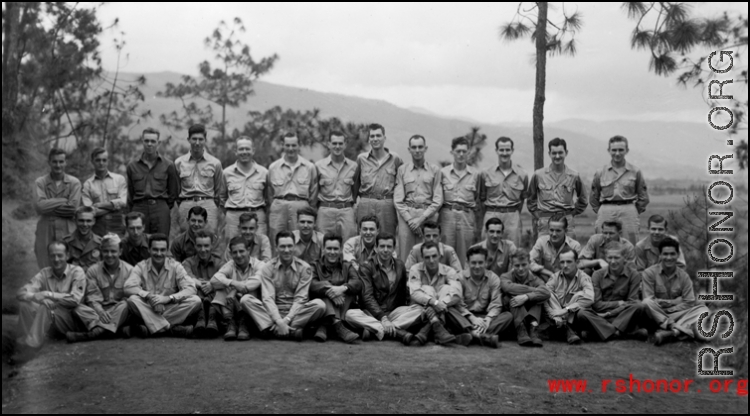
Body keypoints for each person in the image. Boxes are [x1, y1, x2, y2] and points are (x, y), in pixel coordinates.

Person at [242, 231, 326, 341]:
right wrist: (278, 320)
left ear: (294, 247)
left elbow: (301, 299)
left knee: (320, 305)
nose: (286, 250)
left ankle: (272, 330)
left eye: (290, 246)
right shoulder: (268, 268)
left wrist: (285, 320)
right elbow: (268, 299)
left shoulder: (304, 268)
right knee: (246, 300)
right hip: (272, 313)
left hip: (295, 314)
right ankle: (291, 331)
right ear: (276, 247)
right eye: (282, 246)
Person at [345, 233, 425, 345]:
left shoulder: (400, 265)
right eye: (382, 246)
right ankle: (397, 332)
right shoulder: (366, 266)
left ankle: (376, 329)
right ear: (376, 248)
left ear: (394, 248)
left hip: (393, 312)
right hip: (371, 313)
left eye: (389, 246)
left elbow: (403, 292)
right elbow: (367, 296)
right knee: (350, 315)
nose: (385, 250)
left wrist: (407, 310)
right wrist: (382, 317)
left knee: (420, 310)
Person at [124, 234, 201, 338]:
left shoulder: (176, 266)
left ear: (167, 250)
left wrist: (168, 298)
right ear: (149, 250)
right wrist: (149, 296)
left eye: (162, 250)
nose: (159, 253)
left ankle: (153, 326)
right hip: (148, 307)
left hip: (169, 308)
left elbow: (191, 288)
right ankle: (170, 329)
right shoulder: (141, 267)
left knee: (195, 300)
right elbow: (128, 287)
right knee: (132, 300)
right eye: (155, 249)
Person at [16, 241, 87, 353]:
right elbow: (21, 292)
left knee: (46, 308)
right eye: (52, 255)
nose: (56, 259)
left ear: (67, 256)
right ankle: (29, 339)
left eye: (60, 255)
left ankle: (31, 348)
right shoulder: (44, 273)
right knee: (25, 305)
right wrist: (35, 296)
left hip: (70, 320)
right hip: (49, 320)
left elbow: (75, 299)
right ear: (48, 257)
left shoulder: (77, 271)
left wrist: (48, 294)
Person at [641, 239, 710, 346]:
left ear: (677, 255)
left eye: (672, 254)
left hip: (674, 314)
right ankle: (679, 329)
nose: (669, 258)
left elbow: (689, 302)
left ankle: (672, 332)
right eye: (665, 254)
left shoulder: (684, 276)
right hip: (655, 315)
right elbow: (649, 299)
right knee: (646, 303)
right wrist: (675, 301)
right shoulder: (649, 273)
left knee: (704, 309)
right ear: (660, 255)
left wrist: (671, 306)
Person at [575, 242, 648, 342]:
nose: (613, 261)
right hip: (600, 317)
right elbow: (596, 304)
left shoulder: (633, 275)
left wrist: (610, 313)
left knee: (640, 306)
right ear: (606, 258)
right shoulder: (597, 275)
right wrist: (618, 303)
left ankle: (599, 333)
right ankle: (621, 333)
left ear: (624, 258)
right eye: (610, 258)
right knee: (581, 313)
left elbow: (632, 302)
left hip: (623, 317)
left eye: (617, 258)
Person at [67, 234, 132, 343]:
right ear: (101, 252)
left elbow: (129, 297)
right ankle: (115, 330)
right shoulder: (93, 270)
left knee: (126, 304)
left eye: (113, 251)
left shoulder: (130, 270)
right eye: (106, 251)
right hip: (98, 312)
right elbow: (92, 297)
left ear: (120, 251)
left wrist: (111, 312)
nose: (109, 255)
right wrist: (101, 312)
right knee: (78, 308)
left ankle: (95, 333)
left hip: (119, 311)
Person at [407, 242, 472, 346]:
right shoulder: (415, 269)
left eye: (434, 256)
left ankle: (427, 332)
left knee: (446, 289)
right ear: (422, 258)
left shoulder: (449, 271)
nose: (431, 260)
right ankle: (452, 336)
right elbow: (415, 292)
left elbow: (457, 293)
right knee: (427, 289)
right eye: (427, 257)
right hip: (420, 312)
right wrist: (434, 302)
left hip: (442, 310)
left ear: (439, 256)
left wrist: (440, 304)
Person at [590, 135, 649, 245]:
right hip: (606, 210)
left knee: (631, 244)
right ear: (609, 151)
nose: (617, 153)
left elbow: (643, 197)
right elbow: (593, 198)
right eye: (614, 150)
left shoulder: (635, 172)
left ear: (627, 150)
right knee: (602, 244)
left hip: (628, 211)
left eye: (621, 150)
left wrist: (632, 211)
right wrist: (603, 211)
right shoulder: (600, 172)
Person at [267, 132, 318, 252]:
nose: (291, 149)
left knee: (299, 243)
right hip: (278, 208)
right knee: (276, 241)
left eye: (294, 145)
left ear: (299, 145)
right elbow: (269, 193)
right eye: (287, 145)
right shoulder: (273, 167)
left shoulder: (309, 167)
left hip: (300, 207)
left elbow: (313, 193)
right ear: (282, 145)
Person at [394, 134, 443, 260]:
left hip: (428, 217)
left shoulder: (435, 170)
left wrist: (421, 219)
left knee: (427, 254)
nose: (417, 150)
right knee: (405, 255)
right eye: (414, 147)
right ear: (409, 149)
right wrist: (410, 221)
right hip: (407, 217)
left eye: (420, 147)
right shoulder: (402, 170)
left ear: (425, 148)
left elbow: (438, 200)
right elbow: (398, 200)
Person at [527, 138, 588, 239]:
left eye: (560, 152)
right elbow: (530, 200)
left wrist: (571, 214)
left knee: (568, 252)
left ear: (566, 153)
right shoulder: (539, 175)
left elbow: (583, 200)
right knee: (545, 252)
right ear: (549, 154)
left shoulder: (574, 176)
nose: (557, 156)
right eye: (554, 153)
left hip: (567, 223)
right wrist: (540, 216)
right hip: (545, 223)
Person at [455, 246, 515, 348]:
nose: (477, 266)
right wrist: (472, 318)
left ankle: (473, 335)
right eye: (473, 263)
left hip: (484, 316)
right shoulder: (460, 277)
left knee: (508, 316)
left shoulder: (493, 278)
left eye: (480, 262)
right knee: (451, 312)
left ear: (486, 262)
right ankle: (484, 337)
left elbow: (496, 304)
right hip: (466, 317)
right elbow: (458, 304)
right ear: (468, 262)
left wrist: (487, 320)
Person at [309, 233, 362, 344]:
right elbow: (312, 284)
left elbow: (358, 283)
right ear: (323, 248)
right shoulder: (315, 265)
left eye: (335, 249)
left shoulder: (347, 266)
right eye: (329, 248)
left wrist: (342, 288)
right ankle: (337, 324)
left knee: (348, 291)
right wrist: (332, 290)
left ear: (341, 249)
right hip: (322, 308)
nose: (332, 252)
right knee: (321, 294)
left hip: (343, 306)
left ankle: (325, 325)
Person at [126, 127, 179, 236]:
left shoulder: (168, 165)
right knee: (139, 242)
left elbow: (173, 193)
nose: (149, 144)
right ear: (142, 141)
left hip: (160, 209)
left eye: (153, 141)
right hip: (139, 208)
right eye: (146, 141)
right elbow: (130, 193)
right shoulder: (132, 166)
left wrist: (162, 206)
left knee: (160, 242)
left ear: (158, 143)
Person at [34, 148, 82, 269]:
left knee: (69, 264)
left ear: (66, 162)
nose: (58, 165)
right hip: (45, 228)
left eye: (61, 161)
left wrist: (48, 204)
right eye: (54, 161)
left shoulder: (74, 182)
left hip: (68, 228)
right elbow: (39, 207)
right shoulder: (40, 182)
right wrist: (63, 200)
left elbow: (72, 208)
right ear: (49, 162)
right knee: (45, 265)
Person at [210, 236, 265, 341]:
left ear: (248, 250)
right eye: (235, 252)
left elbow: (256, 282)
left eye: (241, 251)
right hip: (233, 307)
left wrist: (234, 290)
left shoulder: (260, 265)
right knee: (221, 286)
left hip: (251, 309)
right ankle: (231, 323)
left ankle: (245, 324)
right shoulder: (230, 265)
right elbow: (214, 280)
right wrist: (233, 283)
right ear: (231, 254)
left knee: (251, 289)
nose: (238, 255)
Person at [174, 124, 225, 236]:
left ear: (205, 140)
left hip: (208, 203)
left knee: (209, 237)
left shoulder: (215, 163)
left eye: (200, 139)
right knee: (186, 238)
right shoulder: (179, 163)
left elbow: (218, 190)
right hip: (186, 203)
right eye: (194, 139)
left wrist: (212, 204)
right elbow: (177, 189)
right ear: (188, 139)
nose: (197, 142)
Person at [353, 123, 402, 237]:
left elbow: (401, 184)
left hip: (387, 205)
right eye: (372, 136)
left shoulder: (395, 159)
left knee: (387, 238)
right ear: (369, 139)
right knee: (365, 237)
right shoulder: (361, 159)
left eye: (378, 136)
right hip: (366, 203)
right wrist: (354, 204)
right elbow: (355, 184)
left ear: (384, 138)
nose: (375, 139)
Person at [439, 137, 482, 266]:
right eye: (458, 151)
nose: (461, 154)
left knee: (465, 254)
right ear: (452, 152)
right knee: (445, 252)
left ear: (468, 152)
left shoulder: (475, 174)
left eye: (464, 151)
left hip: (466, 216)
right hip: (447, 215)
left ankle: (464, 283)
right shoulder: (443, 173)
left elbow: (479, 199)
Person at [480, 136, 529, 247]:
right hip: (491, 214)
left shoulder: (522, 174)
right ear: (496, 151)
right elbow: (481, 198)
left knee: (513, 249)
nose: (504, 153)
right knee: (488, 250)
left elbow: (522, 198)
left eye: (507, 150)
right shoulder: (485, 173)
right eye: (501, 150)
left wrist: (512, 212)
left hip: (512, 217)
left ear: (512, 150)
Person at [221, 136, 269, 239]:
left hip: (257, 216)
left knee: (259, 247)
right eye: (241, 149)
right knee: (233, 248)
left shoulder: (264, 173)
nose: (244, 152)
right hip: (234, 218)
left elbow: (268, 197)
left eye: (247, 149)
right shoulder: (226, 173)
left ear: (253, 151)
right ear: (235, 151)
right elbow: (221, 198)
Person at [499, 250, 550, 347]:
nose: (521, 269)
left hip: (531, 312)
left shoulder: (536, 279)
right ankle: (521, 329)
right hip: (514, 312)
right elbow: (508, 288)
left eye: (524, 265)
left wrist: (527, 296)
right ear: (512, 265)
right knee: (512, 296)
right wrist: (534, 290)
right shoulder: (505, 276)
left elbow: (546, 292)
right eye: (517, 265)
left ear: (529, 264)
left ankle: (533, 328)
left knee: (538, 298)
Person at [315, 131, 358, 242]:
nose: (337, 146)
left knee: (349, 243)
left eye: (340, 143)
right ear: (329, 144)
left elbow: (356, 191)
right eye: (334, 143)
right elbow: (313, 192)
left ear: (345, 144)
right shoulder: (319, 166)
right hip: (325, 211)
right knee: (322, 243)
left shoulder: (354, 166)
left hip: (346, 211)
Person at [544, 249, 594, 345]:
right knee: (547, 293)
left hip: (573, 316)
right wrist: (553, 313)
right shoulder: (555, 277)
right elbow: (544, 296)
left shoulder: (584, 277)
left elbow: (590, 298)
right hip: (555, 316)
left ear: (577, 262)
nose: (565, 265)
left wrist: (566, 310)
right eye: (562, 262)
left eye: (569, 261)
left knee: (580, 295)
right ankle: (566, 329)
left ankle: (566, 328)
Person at [182, 230, 225, 339]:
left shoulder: (219, 263)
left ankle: (211, 317)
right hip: (196, 303)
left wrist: (212, 285)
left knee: (221, 288)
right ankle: (201, 317)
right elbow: (186, 277)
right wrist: (202, 284)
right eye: (199, 246)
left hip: (215, 304)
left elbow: (225, 278)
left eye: (206, 246)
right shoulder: (188, 262)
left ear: (212, 246)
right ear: (195, 246)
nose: (203, 250)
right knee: (191, 287)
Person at [82, 147, 127, 236]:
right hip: (97, 226)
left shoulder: (119, 179)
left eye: (104, 160)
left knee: (117, 248)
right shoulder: (87, 184)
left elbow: (123, 202)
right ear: (92, 161)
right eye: (98, 160)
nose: (101, 163)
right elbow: (90, 211)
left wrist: (101, 205)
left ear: (108, 161)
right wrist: (113, 207)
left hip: (116, 223)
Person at [529, 215, 582, 281]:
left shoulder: (574, 246)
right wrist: (549, 273)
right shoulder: (541, 241)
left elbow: (579, 267)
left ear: (565, 231)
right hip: (545, 278)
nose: (554, 234)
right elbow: (529, 262)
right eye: (551, 230)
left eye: (558, 231)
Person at [63, 206, 102, 272]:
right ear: (75, 220)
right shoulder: (65, 242)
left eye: (88, 221)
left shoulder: (101, 243)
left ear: (94, 222)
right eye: (81, 220)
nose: (85, 224)